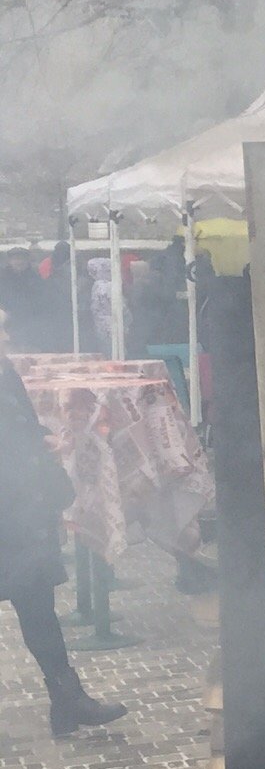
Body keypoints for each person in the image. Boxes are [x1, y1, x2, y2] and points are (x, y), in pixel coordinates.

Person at [0, 309, 127, 736]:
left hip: (21, 510)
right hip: (9, 508)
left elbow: (19, 425)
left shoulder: (3, 368)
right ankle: (67, 700)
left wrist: (40, 443)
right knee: (34, 602)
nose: (5, 329)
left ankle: (67, 700)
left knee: (38, 607)